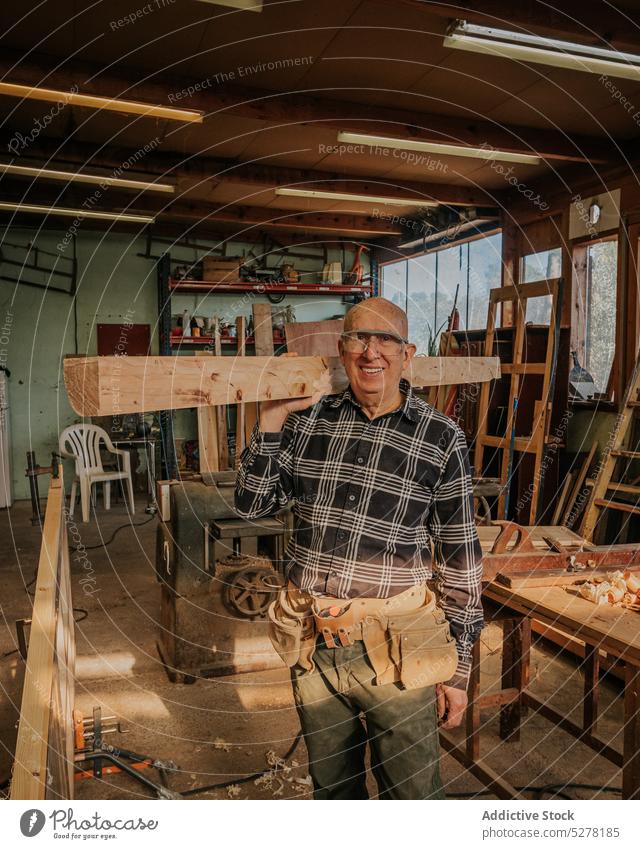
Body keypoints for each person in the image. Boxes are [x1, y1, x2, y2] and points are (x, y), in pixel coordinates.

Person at [235, 297, 483, 799]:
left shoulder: (440, 438)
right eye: (358, 338)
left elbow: (461, 562)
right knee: (334, 792)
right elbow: (251, 505)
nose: (372, 351)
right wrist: (271, 417)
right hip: (315, 646)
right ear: (341, 350)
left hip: (398, 650)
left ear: (407, 353)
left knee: (410, 796)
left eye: (386, 339)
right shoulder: (309, 423)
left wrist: (458, 670)